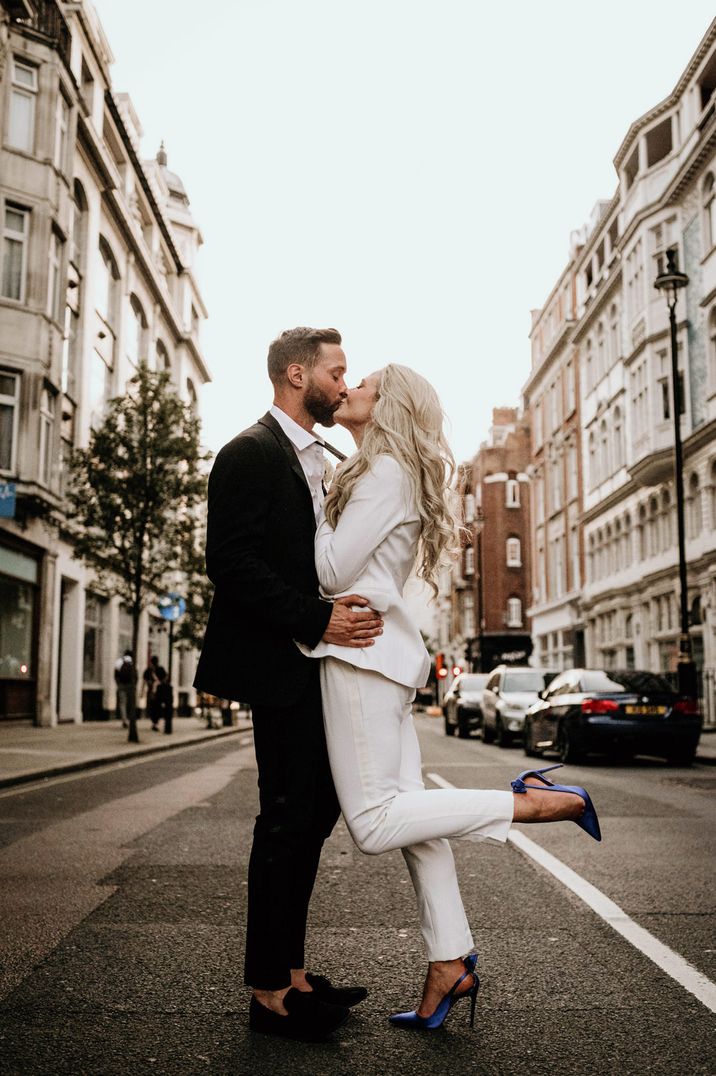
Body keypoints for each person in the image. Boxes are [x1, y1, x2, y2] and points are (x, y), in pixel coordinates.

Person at [302, 364, 601, 1031]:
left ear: (389, 409)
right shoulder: (387, 471)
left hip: (359, 658)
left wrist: (316, 502)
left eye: (366, 385)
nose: (349, 389)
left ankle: (532, 802)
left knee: (376, 823)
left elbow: (329, 570)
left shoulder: (383, 473)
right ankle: (449, 962)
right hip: (380, 658)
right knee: (416, 827)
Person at [194, 327, 384, 1043]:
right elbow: (232, 565)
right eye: (337, 372)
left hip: (313, 664)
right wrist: (318, 621)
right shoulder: (249, 452)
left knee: (315, 812)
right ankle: (270, 991)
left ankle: (293, 972)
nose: (345, 383)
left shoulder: (321, 457)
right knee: (284, 820)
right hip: (280, 661)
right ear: (296, 374)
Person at [113, 650, 136, 728]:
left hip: (122, 685)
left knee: (123, 703)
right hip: (130, 685)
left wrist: (118, 684)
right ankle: (131, 719)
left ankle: (124, 720)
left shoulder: (119, 661)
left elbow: (115, 675)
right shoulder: (132, 662)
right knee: (131, 703)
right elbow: (135, 675)